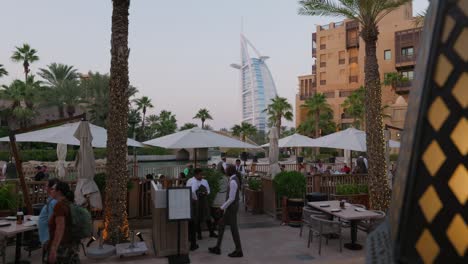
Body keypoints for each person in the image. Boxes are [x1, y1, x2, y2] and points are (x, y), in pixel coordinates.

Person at [209, 165, 243, 258]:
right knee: (221, 225)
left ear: (229, 171)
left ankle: (239, 250)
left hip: (231, 208)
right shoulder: (234, 179)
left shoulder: (232, 181)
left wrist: (221, 207)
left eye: (226, 169)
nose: (225, 170)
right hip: (231, 207)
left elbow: (231, 198)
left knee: (234, 229)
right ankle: (217, 247)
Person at [47, 181, 80, 264]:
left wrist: (54, 248)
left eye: (53, 189)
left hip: (62, 246)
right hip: (70, 244)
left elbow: (60, 228)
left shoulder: (59, 206)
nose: (51, 190)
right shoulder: (68, 203)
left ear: (59, 192)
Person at [38, 178, 60, 258]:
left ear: (51, 188)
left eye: (46, 186)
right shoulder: (51, 201)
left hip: (48, 236)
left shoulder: (53, 202)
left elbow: (53, 221)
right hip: (46, 236)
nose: (45, 188)